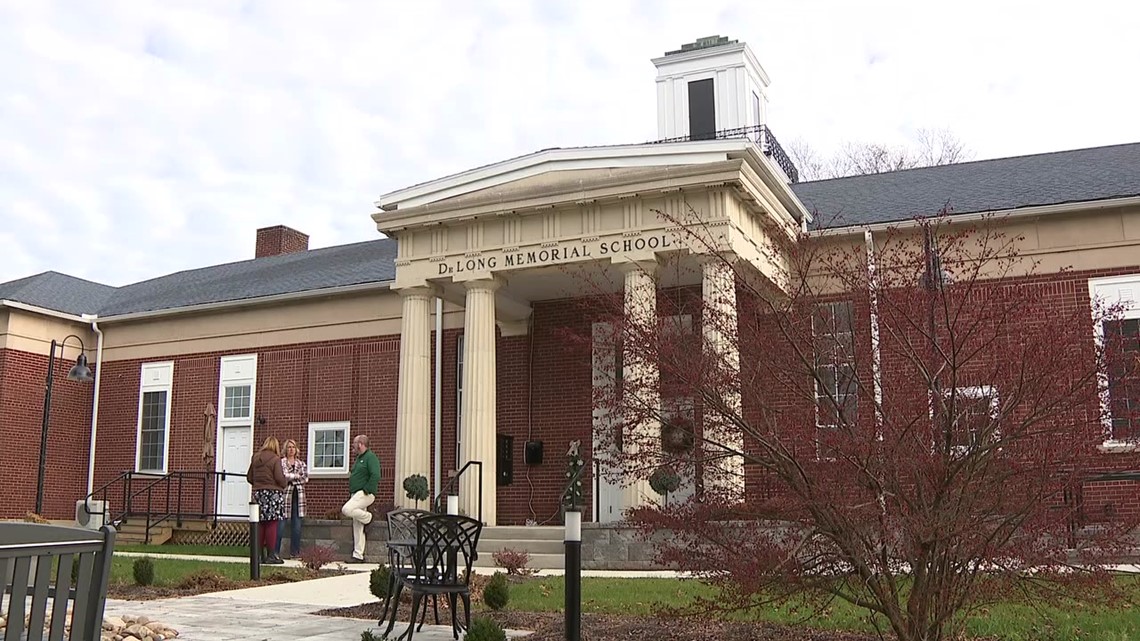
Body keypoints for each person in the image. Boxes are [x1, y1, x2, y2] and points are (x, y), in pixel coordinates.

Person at [340, 434, 381, 563]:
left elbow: (375, 474)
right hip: (356, 493)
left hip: (365, 493)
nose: (353, 445)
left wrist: (367, 489)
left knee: (346, 509)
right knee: (357, 525)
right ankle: (358, 555)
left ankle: (369, 517)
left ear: (360, 444)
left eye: (354, 443)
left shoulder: (370, 457)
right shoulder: (359, 458)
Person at [247, 436, 287, 565]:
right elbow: (280, 478)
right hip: (273, 494)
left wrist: (259, 484)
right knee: (272, 523)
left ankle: (258, 555)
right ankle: (271, 555)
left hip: (259, 493)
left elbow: (249, 477)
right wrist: (284, 482)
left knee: (260, 524)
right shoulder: (276, 459)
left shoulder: (255, 458)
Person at [275, 438, 309, 559]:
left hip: (298, 496)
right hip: (286, 495)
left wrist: (293, 478)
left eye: (293, 447)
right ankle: (275, 552)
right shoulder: (281, 462)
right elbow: (284, 476)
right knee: (281, 523)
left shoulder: (301, 464)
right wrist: (296, 477)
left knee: (297, 525)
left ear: (296, 449)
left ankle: (295, 552)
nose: (291, 449)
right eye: (289, 447)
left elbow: (305, 478)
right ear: (285, 449)